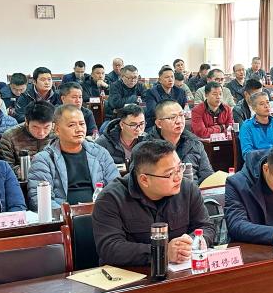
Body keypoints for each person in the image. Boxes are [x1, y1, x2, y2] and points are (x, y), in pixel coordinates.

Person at [93, 139, 216, 267]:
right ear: (144, 180)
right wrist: (162, 252)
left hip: (180, 270)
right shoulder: (110, 198)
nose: (178, 177)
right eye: (170, 173)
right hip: (131, 273)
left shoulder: (188, 189)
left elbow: (206, 227)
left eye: (180, 168)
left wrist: (191, 242)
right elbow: (110, 248)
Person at [27, 104, 119, 210]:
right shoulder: (44, 160)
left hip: (101, 213)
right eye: (71, 125)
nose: (79, 129)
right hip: (63, 216)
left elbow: (116, 188)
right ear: (57, 130)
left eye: (82, 124)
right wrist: (68, 215)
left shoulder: (100, 153)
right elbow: (40, 200)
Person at [144, 100, 213, 184]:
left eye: (181, 115)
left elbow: (208, 176)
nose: (179, 121)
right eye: (172, 117)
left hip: (193, 190)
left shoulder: (194, 143)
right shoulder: (146, 147)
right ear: (159, 123)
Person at [0, 101, 55, 174]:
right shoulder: (10, 136)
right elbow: (5, 166)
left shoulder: (58, 134)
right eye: (35, 127)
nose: (41, 133)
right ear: (26, 121)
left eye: (46, 127)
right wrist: (23, 171)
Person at [237, 90, 273, 157]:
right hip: (257, 162)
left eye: (267, 102)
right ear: (254, 108)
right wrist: (269, 155)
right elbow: (247, 154)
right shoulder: (247, 126)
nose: (266, 106)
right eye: (262, 104)